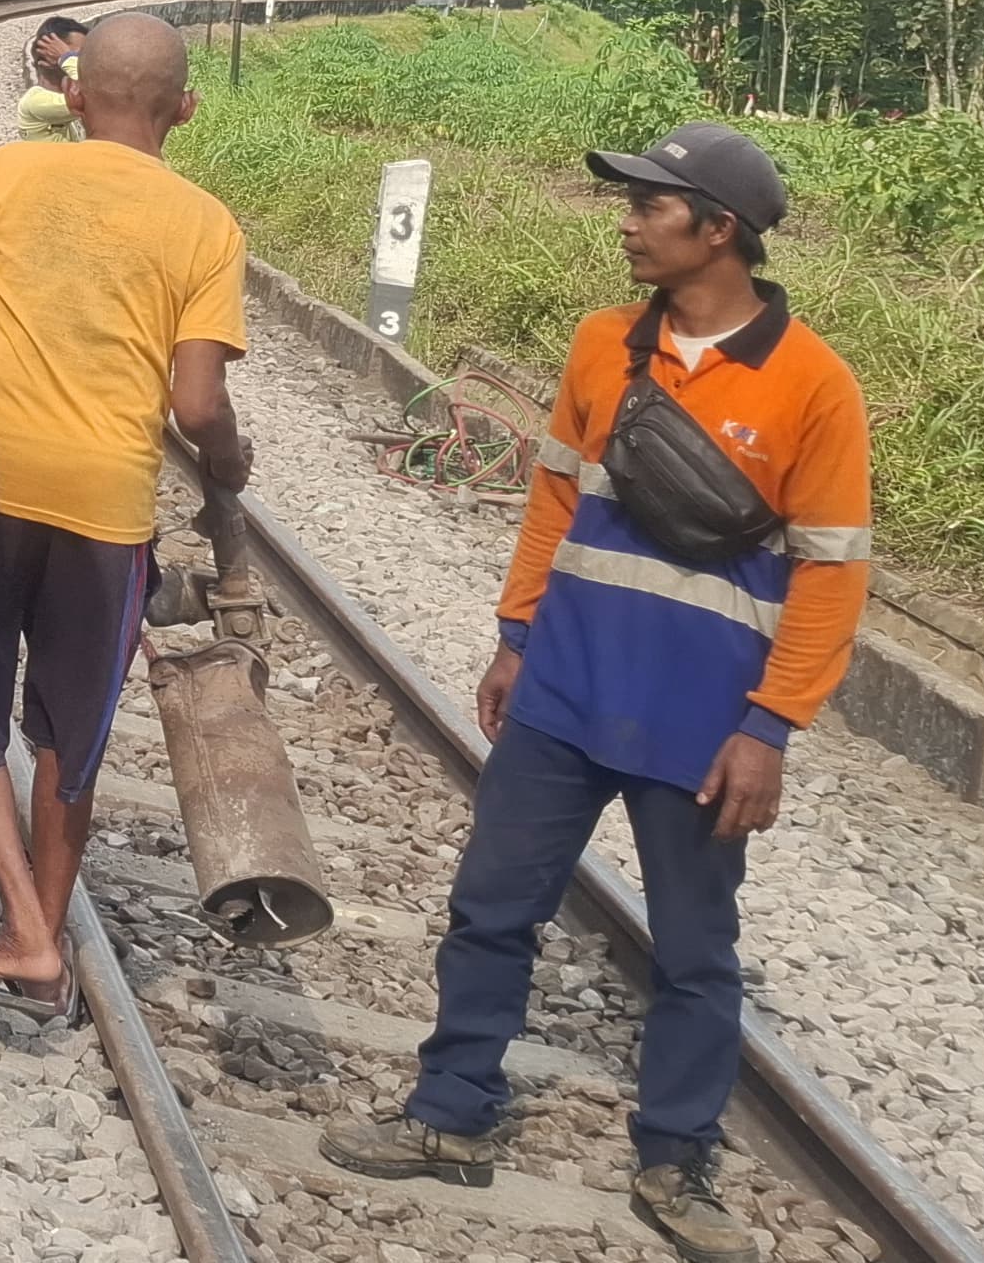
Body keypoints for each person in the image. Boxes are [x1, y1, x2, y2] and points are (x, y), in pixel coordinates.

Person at [323, 122, 870, 1263]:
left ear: (719, 230)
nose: (625, 219)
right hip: (567, 686)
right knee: (491, 907)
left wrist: (770, 729)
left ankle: (675, 1159)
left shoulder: (813, 385)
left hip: (701, 719)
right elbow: (555, 502)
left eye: (650, 204)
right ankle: (450, 1114)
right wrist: (513, 637)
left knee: (693, 949)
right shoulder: (601, 346)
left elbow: (831, 573)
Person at [0, 13, 248, 1022]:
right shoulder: (206, 224)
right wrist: (228, 467)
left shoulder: (6, 176)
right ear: (184, 109)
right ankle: (38, 927)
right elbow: (197, 409)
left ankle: (24, 929)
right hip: (104, 508)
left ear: (71, 96)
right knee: (68, 729)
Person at [16, 14, 89, 142]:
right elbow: (93, 98)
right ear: (51, 57)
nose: (87, 60)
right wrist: (66, 57)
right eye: (79, 55)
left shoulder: (64, 106)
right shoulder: (34, 102)